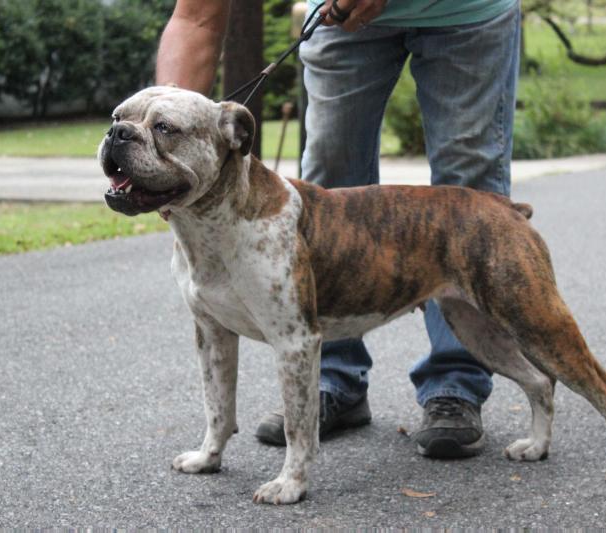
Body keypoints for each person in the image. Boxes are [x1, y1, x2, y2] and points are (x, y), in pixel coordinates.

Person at [156, 0, 520, 459]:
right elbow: (196, 18)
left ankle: (457, 379)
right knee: (328, 176)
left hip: (466, 12)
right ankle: (332, 376)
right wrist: (167, 145)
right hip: (339, 16)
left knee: (466, 186)